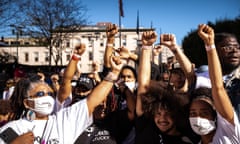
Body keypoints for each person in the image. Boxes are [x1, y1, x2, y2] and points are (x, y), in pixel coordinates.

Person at [0, 48, 124, 144]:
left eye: (50, 93)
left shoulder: (64, 120)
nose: (47, 97)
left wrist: (114, 72)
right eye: (41, 94)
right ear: (27, 103)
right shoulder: (14, 128)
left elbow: (93, 99)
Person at [135, 30, 194, 144]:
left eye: (168, 114)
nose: (162, 118)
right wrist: (146, 47)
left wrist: (174, 49)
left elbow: (193, 81)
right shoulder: (146, 125)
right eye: (158, 113)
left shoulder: (186, 139)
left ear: (176, 114)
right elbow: (143, 85)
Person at [188, 24, 240, 144]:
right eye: (193, 114)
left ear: (217, 114)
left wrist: (210, 45)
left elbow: (218, 88)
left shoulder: (230, 133)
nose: (198, 119)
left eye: (204, 113)